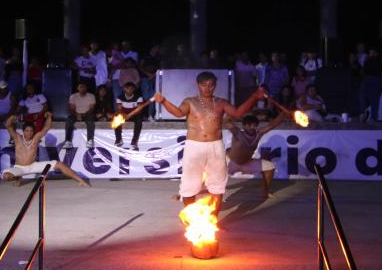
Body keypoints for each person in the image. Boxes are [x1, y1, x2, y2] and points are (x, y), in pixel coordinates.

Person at [154, 72, 266, 216]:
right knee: (190, 183)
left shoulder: (221, 102)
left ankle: (213, 222)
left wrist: (254, 97)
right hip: (194, 146)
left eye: (211, 85)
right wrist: (163, 101)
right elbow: (178, 113)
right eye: (204, 85)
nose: (207, 89)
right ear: (198, 85)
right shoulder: (190, 101)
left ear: (215, 86)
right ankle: (192, 221)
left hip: (215, 146)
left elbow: (237, 114)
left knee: (218, 184)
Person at [0, 113, 89, 187]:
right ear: (23, 131)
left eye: (31, 131)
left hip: (33, 166)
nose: (29, 133)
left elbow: (46, 128)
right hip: (20, 168)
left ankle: (81, 181)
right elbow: (8, 126)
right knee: (6, 176)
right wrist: (11, 118)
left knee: (59, 164)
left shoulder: (36, 138)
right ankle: (18, 177)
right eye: (27, 131)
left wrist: (49, 116)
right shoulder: (17, 138)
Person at [225, 114, 285, 199]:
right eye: (249, 125)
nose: (252, 127)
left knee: (270, 166)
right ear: (244, 125)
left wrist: (284, 113)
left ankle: (265, 192)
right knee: (210, 176)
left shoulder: (259, 133)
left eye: (254, 125)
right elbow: (225, 121)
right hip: (230, 162)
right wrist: (235, 113)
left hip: (247, 163)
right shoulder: (237, 132)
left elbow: (273, 124)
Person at [62, 81, 96, 149]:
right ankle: (68, 141)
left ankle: (90, 140)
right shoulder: (73, 96)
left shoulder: (91, 96)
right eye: (81, 87)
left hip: (87, 114)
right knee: (69, 119)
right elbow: (71, 109)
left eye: (84, 87)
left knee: (90, 120)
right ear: (78, 88)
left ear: (86, 88)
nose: (83, 88)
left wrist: (83, 115)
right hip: (76, 114)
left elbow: (92, 109)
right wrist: (77, 114)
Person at [114, 82, 145, 149]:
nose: (129, 90)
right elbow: (119, 109)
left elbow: (139, 110)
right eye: (127, 89)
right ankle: (119, 139)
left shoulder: (139, 97)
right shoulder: (120, 97)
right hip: (124, 114)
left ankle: (134, 140)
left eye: (131, 89)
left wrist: (130, 115)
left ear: (133, 89)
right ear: (124, 89)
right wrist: (124, 115)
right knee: (116, 118)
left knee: (139, 120)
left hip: (134, 114)